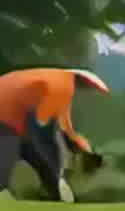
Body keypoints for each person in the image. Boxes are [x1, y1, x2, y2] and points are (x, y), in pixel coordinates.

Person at [0, 68, 109, 202]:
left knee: (37, 157)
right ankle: (54, 188)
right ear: (81, 82)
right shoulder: (62, 87)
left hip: (12, 120)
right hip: (6, 119)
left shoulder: (58, 85)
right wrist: (58, 170)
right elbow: (43, 130)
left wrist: (84, 149)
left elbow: (66, 129)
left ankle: (52, 192)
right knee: (14, 154)